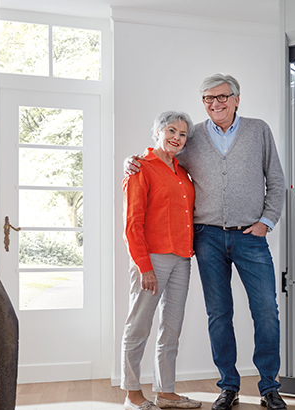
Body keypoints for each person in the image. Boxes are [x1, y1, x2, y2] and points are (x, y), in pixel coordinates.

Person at [126, 73, 287, 410]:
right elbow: (162, 156)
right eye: (208, 98)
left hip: (250, 236)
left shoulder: (258, 130)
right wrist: (134, 161)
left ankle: (269, 386)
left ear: (236, 99)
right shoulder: (193, 135)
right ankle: (228, 386)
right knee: (219, 313)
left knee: (266, 312)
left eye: (222, 97)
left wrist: (266, 222)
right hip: (207, 238)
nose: (215, 103)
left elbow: (275, 179)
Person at [121, 111, 202, 410]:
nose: (176, 138)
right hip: (152, 258)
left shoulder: (182, 172)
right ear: (157, 131)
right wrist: (144, 266)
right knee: (139, 326)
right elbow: (132, 223)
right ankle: (132, 394)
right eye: (171, 130)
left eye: (182, 134)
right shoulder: (141, 168)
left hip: (182, 257)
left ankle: (166, 392)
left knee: (171, 328)